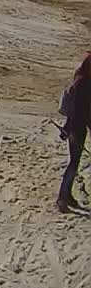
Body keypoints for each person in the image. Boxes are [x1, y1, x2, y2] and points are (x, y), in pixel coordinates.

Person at [61, 54, 91, 212]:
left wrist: (67, 127)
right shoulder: (84, 84)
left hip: (73, 127)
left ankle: (66, 196)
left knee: (74, 163)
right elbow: (81, 112)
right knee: (73, 164)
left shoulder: (78, 81)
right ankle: (62, 198)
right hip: (77, 129)